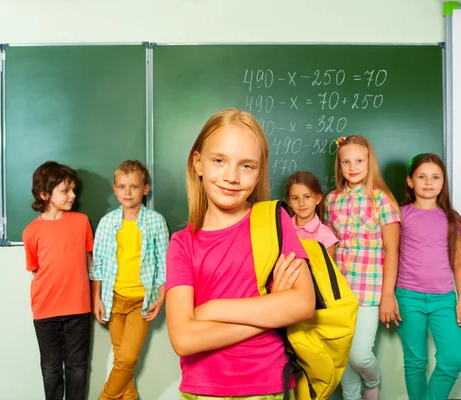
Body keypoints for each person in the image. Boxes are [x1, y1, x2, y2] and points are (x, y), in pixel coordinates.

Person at [165, 108, 315, 399]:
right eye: (219, 160)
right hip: (203, 390)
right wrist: (271, 310)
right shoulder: (182, 244)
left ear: (259, 172)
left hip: (269, 385)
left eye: (246, 166)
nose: (231, 176)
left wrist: (211, 310)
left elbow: (302, 303)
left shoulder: (274, 221)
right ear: (198, 163)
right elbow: (183, 339)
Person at [325, 135, 401, 400]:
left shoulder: (382, 200)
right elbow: (328, 246)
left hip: (369, 291)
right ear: (340, 165)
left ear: (370, 162)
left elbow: (392, 250)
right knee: (343, 356)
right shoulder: (331, 200)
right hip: (339, 293)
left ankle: (373, 381)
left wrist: (387, 296)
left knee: (359, 354)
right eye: (346, 161)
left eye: (359, 160)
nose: (353, 166)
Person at [90, 160, 169, 400]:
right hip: (113, 300)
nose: (127, 192)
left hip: (140, 302)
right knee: (122, 358)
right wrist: (97, 299)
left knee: (127, 358)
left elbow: (166, 265)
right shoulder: (106, 224)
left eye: (133, 186)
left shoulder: (156, 221)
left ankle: (104, 397)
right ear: (115, 189)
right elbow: (99, 266)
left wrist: (162, 298)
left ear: (145, 189)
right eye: (122, 187)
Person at [396, 153, 461, 400]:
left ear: (443, 182)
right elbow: (390, 256)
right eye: (422, 177)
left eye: (435, 177)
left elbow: (459, 262)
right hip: (407, 297)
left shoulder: (451, 218)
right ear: (410, 181)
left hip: (444, 299)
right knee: (415, 361)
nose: (428, 182)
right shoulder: (400, 215)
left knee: (453, 359)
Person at [22, 161, 93, 400]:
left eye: (73, 189)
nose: (73, 195)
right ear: (45, 194)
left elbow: (89, 262)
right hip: (45, 310)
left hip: (79, 308)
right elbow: (35, 269)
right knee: (51, 369)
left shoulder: (82, 222)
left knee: (78, 367)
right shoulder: (31, 231)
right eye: (65, 190)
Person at [285, 171, 339, 259]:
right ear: (289, 202)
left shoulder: (326, 236)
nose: (301, 203)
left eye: (307, 197)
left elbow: (327, 271)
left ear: (318, 198)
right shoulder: (283, 228)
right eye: (295, 198)